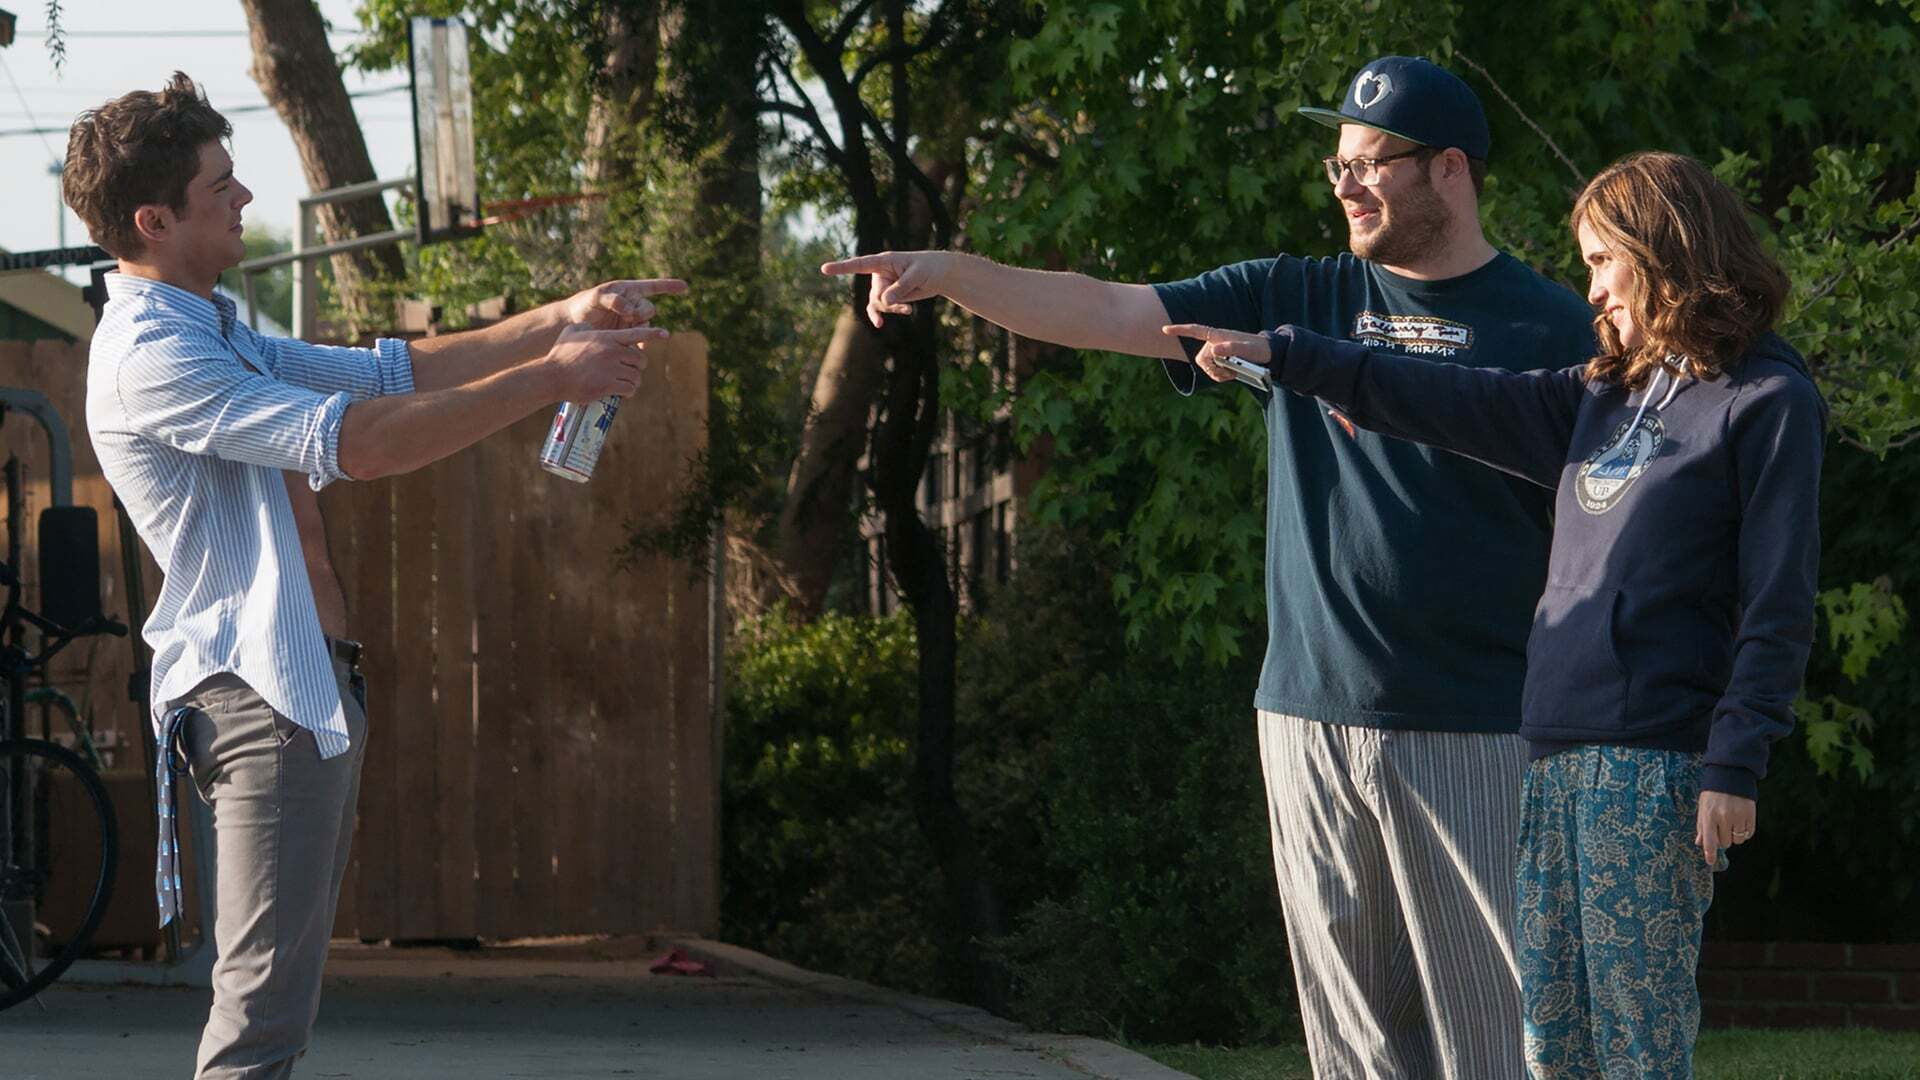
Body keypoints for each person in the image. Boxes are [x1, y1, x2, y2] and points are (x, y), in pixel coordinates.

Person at [825, 56, 1593, 1076]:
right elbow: (1105, 309)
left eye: (1372, 163)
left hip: (1477, 726)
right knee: (1356, 1049)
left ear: (1450, 169)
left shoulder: (1553, 326)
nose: (1347, 185)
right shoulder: (1296, 295)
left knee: (1500, 1039)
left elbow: (1607, 539)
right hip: (1307, 723)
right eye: (1338, 166)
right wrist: (952, 272)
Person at [65, 73, 685, 1078]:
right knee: (260, 1020)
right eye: (221, 186)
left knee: (275, 1008)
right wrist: (550, 378)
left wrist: (561, 316)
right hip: (256, 696)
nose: (245, 197)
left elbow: (389, 374)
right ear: (155, 220)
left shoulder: (211, 329)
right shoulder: (151, 356)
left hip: (302, 688)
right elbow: (358, 442)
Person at [1167, 149, 1822, 1077]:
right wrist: (1295, 357)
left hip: (1650, 762)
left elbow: (1778, 600)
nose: (1592, 289)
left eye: (1603, 260)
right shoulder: (1609, 392)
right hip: (1549, 749)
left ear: (1663, 249)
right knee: (1550, 1043)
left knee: (1635, 1046)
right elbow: (1455, 397)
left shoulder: (1767, 399)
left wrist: (1736, 761)